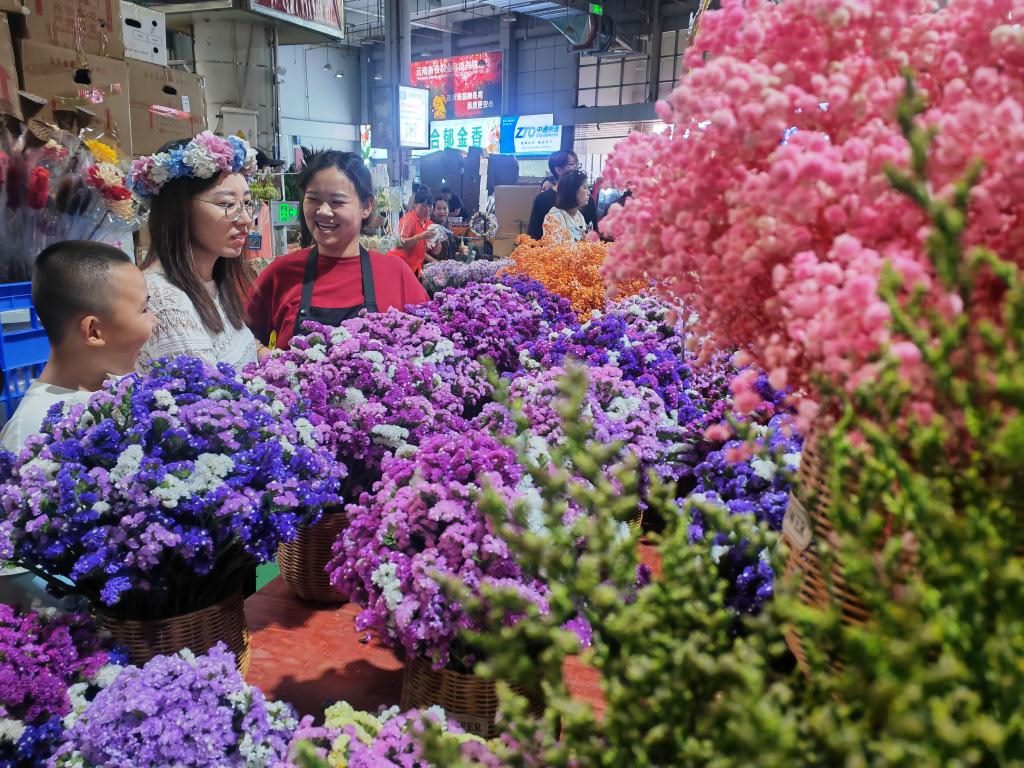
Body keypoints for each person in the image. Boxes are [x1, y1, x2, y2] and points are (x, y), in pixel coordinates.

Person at [247, 151, 428, 351]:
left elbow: (431, 338)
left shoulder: (395, 273)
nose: (323, 211)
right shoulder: (282, 272)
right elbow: (239, 337)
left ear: (367, 206)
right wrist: (263, 354)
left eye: (337, 201)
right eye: (313, 199)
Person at [128, 132, 265, 372]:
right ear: (179, 210)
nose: (245, 219)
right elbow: (213, 392)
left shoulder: (213, 280)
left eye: (246, 203)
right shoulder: (166, 302)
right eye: (226, 204)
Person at [0, 241, 155, 451]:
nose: (154, 320)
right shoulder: (34, 433)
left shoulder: (119, 386)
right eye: (144, 310)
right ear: (93, 331)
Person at [527, 150, 596, 239]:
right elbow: (534, 234)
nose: (576, 168)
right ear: (558, 170)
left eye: (577, 164)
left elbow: (594, 232)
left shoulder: (587, 200)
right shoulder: (543, 200)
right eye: (572, 164)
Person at [391, 188, 436, 277]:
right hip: (399, 267)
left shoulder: (429, 223)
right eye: (424, 206)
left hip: (414, 268)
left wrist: (437, 238)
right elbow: (399, 244)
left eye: (430, 206)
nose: (427, 210)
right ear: (415, 203)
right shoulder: (408, 220)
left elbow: (435, 251)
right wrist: (419, 237)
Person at [543, 170, 592, 245]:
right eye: (585, 188)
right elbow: (554, 248)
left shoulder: (579, 215)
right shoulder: (554, 218)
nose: (588, 193)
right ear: (572, 191)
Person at [428, 197, 458, 261]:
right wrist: (434, 261)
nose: (442, 211)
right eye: (439, 209)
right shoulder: (430, 227)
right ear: (433, 211)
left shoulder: (447, 227)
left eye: (445, 208)